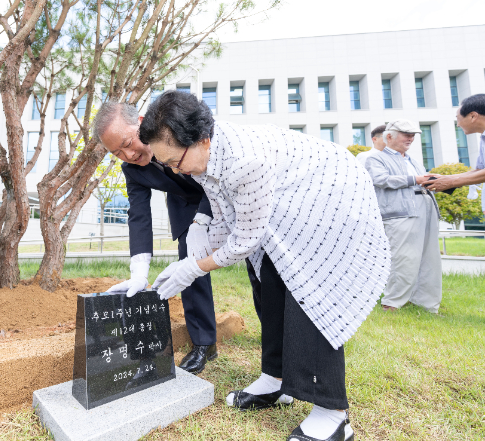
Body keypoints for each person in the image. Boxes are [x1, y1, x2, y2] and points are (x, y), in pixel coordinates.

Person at [140, 90, 389, 441]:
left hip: (330, 202)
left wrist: (195, 268)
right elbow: (226, 217)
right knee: (269, 282)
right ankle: (276, 380)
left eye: (175, 161)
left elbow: (244, 240)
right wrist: (194, 249)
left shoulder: (246, 159)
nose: (173, 170)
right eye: (165, 164)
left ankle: (333, 414)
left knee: (308, 295)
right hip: (288, 207)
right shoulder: (201, 158)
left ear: (201, 140)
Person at [93, 102, 262, 375]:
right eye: (116, 152)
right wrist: (139, 273)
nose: (128, 154)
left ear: (141, 121)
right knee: (188, 266)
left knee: (257, 261)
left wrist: (204, 219)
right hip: (186, 207)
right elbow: (138, 215)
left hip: (226, 194)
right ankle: (204, 343)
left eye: (127, 142)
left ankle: (273, 330)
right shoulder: (132, 170)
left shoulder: (179, 128)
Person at [365, 120, 442, 314]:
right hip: (400, 213)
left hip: (426, 208)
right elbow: (381, 180)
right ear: (389, 136)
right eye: (405, 134)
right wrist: (416, 179)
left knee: (430, 257)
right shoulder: (376, 158)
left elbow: (420, 180)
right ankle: (392, 302)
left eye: (413, 135)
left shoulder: (412, 160)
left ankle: (426, 303)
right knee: (403, 258)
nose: (411, 138)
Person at [422, 94, 485, 192]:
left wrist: (452, 182)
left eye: (458, 118)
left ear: (473, 116)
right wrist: (445, 178)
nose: (458, 124)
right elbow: (481, 170)